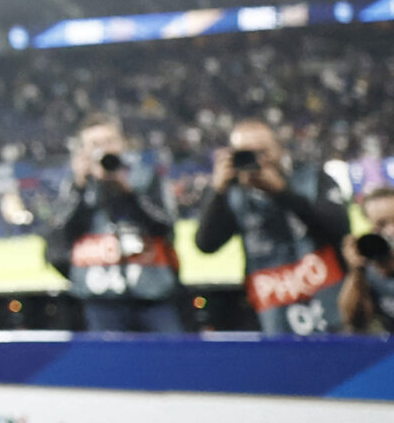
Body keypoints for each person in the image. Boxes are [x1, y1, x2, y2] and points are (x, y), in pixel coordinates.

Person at [192, 118, 353, 334]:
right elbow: (206, 244)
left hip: (329, 308)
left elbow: (341, 228)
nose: (256, 161)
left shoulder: (312, 178)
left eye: (262, 152)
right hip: (274, 317)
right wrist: (218, 190)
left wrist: (282, 192)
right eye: (245, 153)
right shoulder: (234, 195)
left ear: (279, 150)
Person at [44, 115, 184, 333]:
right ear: (83, 150)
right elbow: (60, 236)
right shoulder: (74, 186)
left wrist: (128, 192)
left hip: (152, 291)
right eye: (95, 144)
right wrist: (80, 187)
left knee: (169, 359)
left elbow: (165, 226)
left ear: (122, 143)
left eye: (109, 141)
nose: (104, 149)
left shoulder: (146, 178)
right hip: (99, 296)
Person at [340, 186, 394, 336]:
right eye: (381, 224)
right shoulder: (372, 266)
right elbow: (354, 321)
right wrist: (357, 271)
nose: (391, 231)